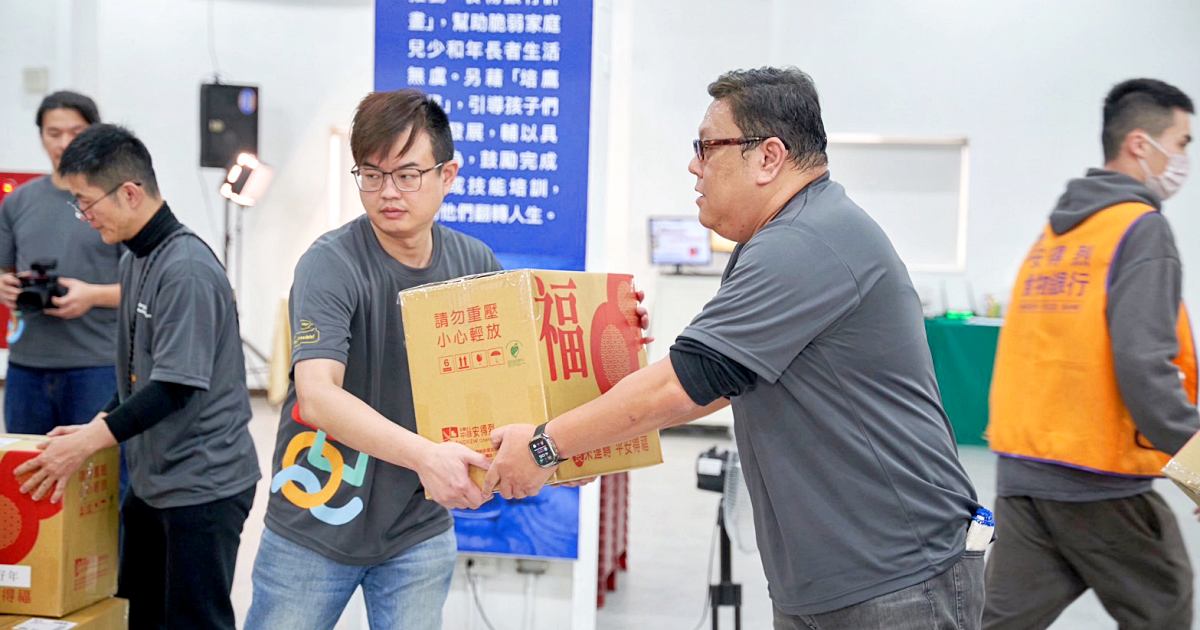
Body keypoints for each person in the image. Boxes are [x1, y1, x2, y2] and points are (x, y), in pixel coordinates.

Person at [486, 66, 985, 630]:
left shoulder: (805, 241)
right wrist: (581, 445)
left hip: (895, 578)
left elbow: (684, 382)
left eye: (706, 147)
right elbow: (723, 382)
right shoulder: (780, 237)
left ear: (768, 157)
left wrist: (546, 447)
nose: (694, 166)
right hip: (833, 576)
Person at [244, 89, 502, 630]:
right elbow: (318, 396)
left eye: (407, 175)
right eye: (371, 174)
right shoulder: (330, 264)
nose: (387, 192)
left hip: (416, 527)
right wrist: (426, 457)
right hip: (316, 519)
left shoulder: (474, 263)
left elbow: (513, 378)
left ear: (448, 175)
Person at [14, 123, 260, 630]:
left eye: (87, 203)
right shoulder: (134, 260)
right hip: (152, 482)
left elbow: (174, 387)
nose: (85, 217)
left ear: (129, 192)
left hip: (202, 486)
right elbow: (137, 378)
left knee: (194, 621)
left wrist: (86, 446)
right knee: (140, 614)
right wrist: (92, 428)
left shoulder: (186, 269)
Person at [984, 78, 1198, 630]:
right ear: (1139, 144)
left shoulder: (1055, 237)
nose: (1184, 159)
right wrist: (1198, 465)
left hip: (1024, 472)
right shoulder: (1140, 230)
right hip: (1097, 478)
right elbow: (1144, 367)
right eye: (1182, 143)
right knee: (1164, 606)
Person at [0, 91, 121, 437]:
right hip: (27, 367)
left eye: (76, 132)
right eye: (54, 133)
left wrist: (92, 295)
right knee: (26, 464)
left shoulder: (115, 200)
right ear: (41, 136)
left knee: (99, 467)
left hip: (97, 365)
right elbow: (4, 269)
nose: (64, 143)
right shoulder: (18, 201)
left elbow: (150, 286)